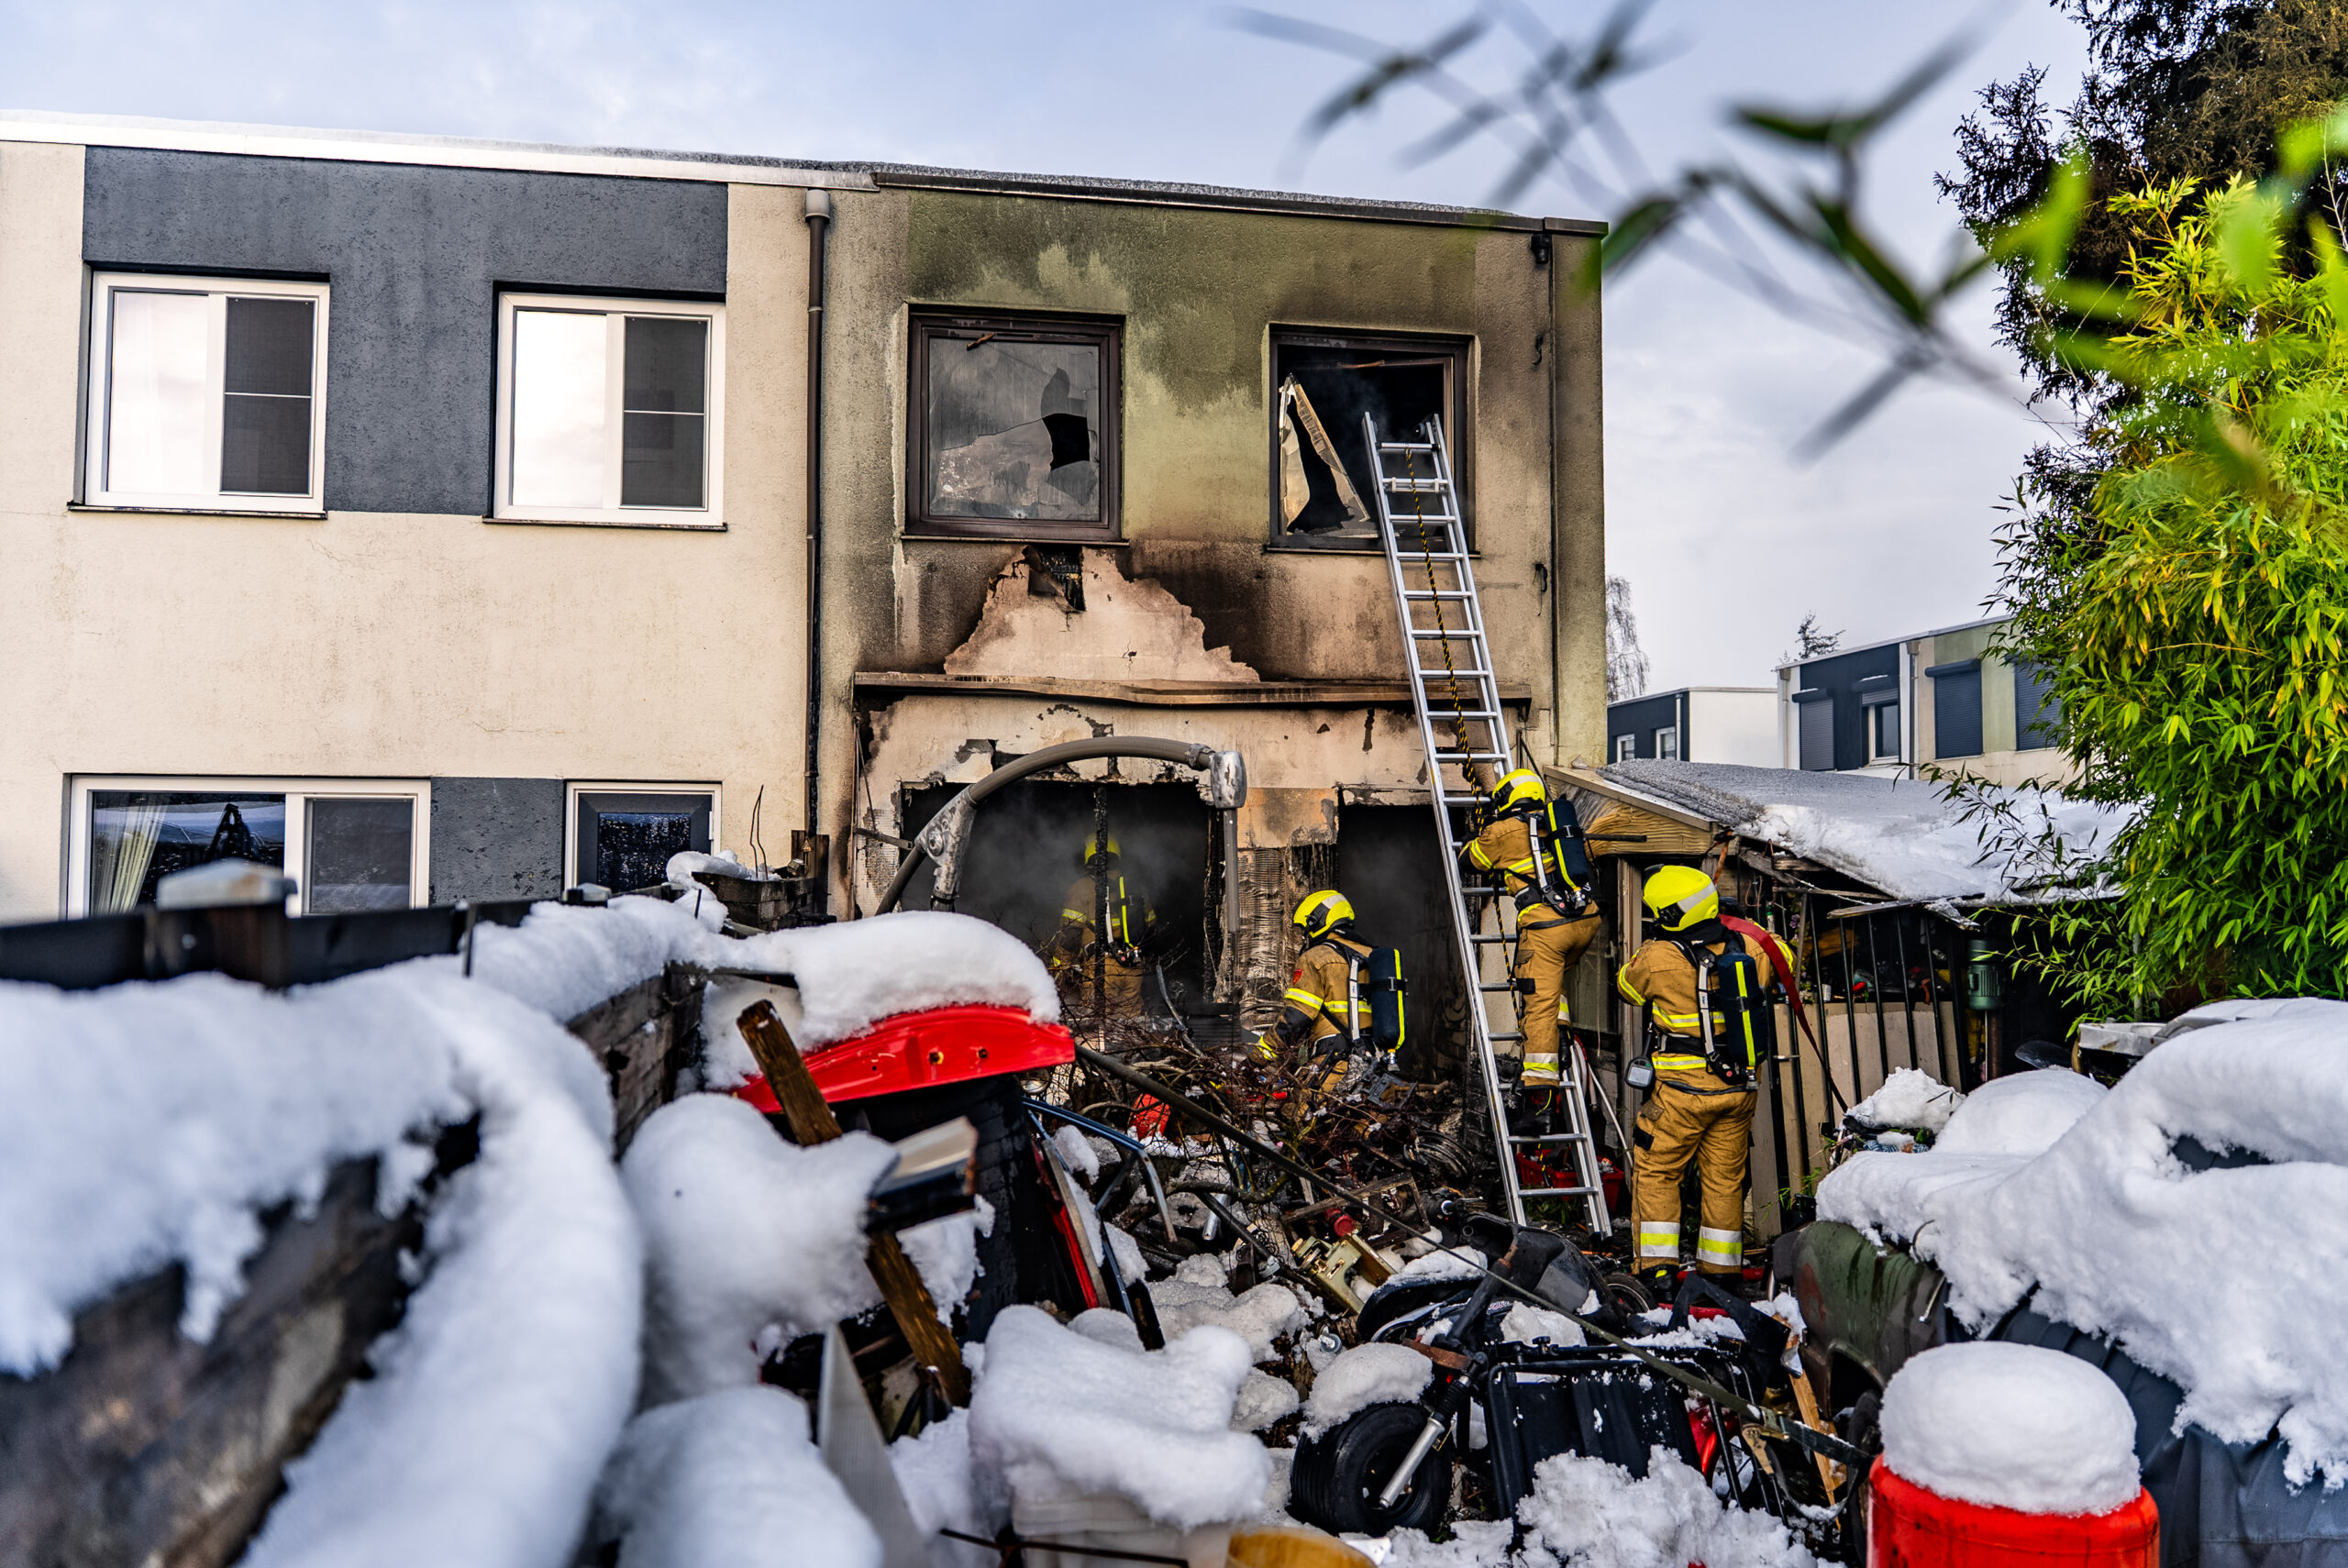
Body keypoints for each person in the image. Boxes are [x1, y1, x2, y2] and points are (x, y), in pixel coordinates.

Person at [1615, 866, 1796, 1292]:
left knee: (1658, 1171)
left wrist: (1656, 941)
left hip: (1679, 1094)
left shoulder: (1658, 957)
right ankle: (1720, 1273)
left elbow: (1627, 987)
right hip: (1737, 1091)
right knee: (1724, 1180)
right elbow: (1785, 959)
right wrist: (1741, 924)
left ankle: (1657, 1270)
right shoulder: (1750, 945)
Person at [1463, 768, 1600, 1088]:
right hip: (1586, 920)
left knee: (1538, 1004)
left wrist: (1479, 835)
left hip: (1548, 928)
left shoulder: (1502, 831)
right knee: (1552, 980)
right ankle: (1561, 1037)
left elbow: (1470, 862)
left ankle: (1540, 1097)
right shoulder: (1558, 822)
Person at [1255, 890, 1381, 1110]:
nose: (1306, 936)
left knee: (1295, 1120)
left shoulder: (1317, 957)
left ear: (1318, 921)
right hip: (1375, 1067)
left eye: (1306, 929)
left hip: (1335, 1066)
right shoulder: (1373, 956)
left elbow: (1295, 1019)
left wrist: (1258, 1058)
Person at [1042, 833, 1154, 1016]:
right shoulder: (1136, 886)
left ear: (1089, 858)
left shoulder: (1082, 887)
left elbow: (1071, 933)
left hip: (1101, 967)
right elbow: (1151, 926)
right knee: (1130, 1029)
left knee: (1098, 1027)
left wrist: (1061, 968)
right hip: (1133, 966)